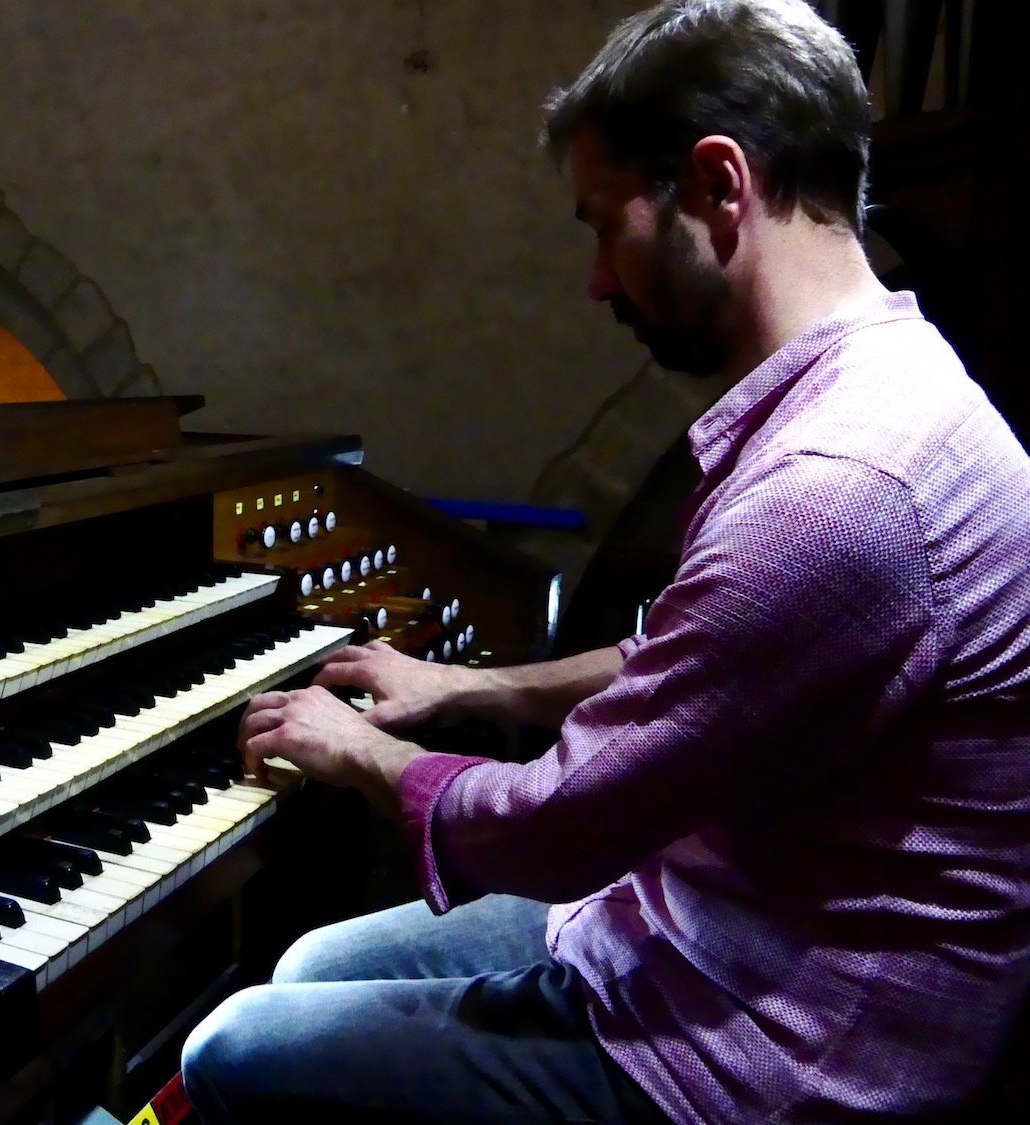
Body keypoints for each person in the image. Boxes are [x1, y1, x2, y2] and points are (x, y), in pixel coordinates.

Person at [180, 0, 1030, 1121]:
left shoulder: (839, 486)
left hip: (793, 1050)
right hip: (710, 910)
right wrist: (467, 684)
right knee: (306, 972)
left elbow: (552, 828)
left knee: (232, 1050)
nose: (594, 280)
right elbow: (693, 663)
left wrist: (357, 757)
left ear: (720, 187)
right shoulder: (890, 383)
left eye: (601, 225)